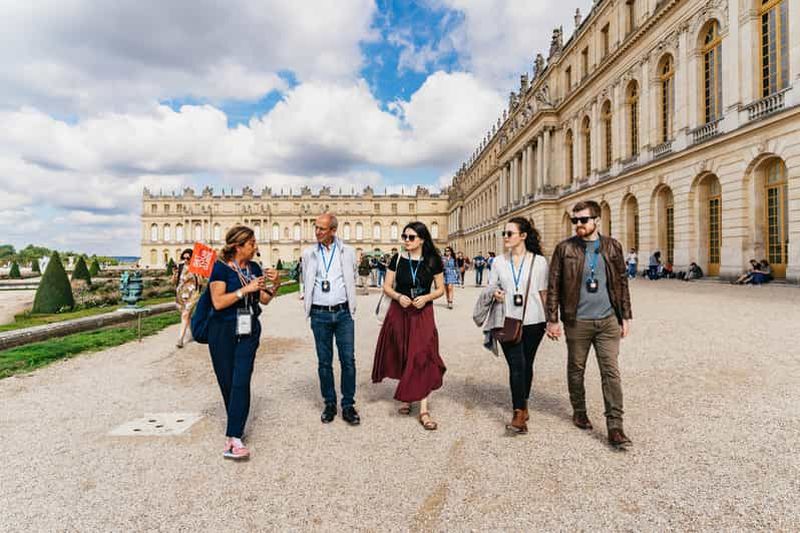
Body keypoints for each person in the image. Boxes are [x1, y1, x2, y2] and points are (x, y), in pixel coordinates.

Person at [546, 201, 633, 449]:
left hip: (608, 321)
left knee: (611, 372)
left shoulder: (612, 246)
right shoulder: (564, 249)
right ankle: (579, 410)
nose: (578, 225)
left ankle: (615, 426)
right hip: (577, 321)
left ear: (597, 220)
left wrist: (625, 317)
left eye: (583, 220)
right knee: (576, 368)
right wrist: (552, 319)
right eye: (575, 221)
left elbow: (622, 283)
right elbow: (554, 286)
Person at [207, 226, 281, 460]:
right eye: (251, 243)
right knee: (228, 382)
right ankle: (236, 421)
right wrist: (244, 290)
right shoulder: (219, 269)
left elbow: (265, 299)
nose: (256, 246)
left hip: (248, 328)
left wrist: (276, 284)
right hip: (222, 330)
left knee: (241, 380)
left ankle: (234, 437)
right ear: (238, 246)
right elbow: (218, 302)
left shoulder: (254, 267)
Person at [372, 222, 446, 430]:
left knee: (422, 354)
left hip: (423, 312)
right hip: (400, 311)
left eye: (411, 237)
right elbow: (386, 286)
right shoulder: (397, 259)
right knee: (404, 352)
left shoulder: (433, 260)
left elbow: (440, 289)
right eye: (404, 237)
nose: (406, 240)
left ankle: (423, 409)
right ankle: (407, 396)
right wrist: (398, 296)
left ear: (422, 239)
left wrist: (427, 297)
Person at [487, 218, 548, 434]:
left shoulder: (539, 262)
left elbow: (543, 292)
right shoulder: (498, 262)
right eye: (504, 233)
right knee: (516, 364)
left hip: (534, 320)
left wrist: (552, 320)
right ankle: (518, 413)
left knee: (527, 363)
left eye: (510, 233)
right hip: (507, 319)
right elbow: (491, 286)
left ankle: (524, 403)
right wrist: (495, 292)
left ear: (523, 236)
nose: (505, 237)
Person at [302, 213, 360, 426]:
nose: (317, 231)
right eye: (316, 227)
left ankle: (348, 405)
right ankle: (329, 403)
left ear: (333, 231)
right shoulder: (309, 253)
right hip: (319, 313)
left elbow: (352, 276)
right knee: (324, 362)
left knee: (348, 360)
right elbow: (306, 278)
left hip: (343, 312)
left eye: (322, 228)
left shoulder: (348, 251)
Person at [173, 248, 200, 348]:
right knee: (186, 316)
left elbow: (201, 282)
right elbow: (174, 282)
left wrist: (198, 275)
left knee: (185, 314)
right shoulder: (180, 267)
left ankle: (180, 339)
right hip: (181, 293)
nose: (186, 260)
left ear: (192, 258)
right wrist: (175, 274)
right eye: (184, 257)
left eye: (188, 258)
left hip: (193, 293)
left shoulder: (196, 268)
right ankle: (193, 333)